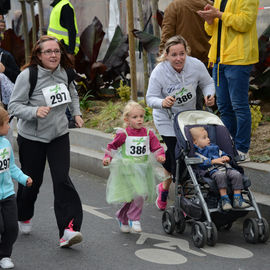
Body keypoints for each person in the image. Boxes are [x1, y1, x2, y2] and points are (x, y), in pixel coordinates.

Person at [8, 35, 84, 248]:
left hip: (58, 135)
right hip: (32, 137)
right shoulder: (28, 76)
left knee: (62, 180)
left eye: (57, 51)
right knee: (32, 181)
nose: (53, 55)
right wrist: (34, 111)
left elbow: (73, 94)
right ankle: (23, 213)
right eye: (48, 52)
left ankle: (69, 230)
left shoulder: (65, 73)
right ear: (39, 56)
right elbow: (13, 106)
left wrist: (76, 113)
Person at [146, 35, 215, 210]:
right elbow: (149, 98)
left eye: (182, 54)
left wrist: (209, 95)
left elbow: (208, 83)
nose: (179, 58)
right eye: (174, 55)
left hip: (188, 117)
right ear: (166, 55)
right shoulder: (159, 71)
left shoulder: (195, 65)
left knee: (184, 154)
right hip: (166, 118)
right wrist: (162, 102)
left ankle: (165, 187)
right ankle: (184, 196)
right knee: (178, 154)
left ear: (187, 52)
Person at [197, 0, 259, 161]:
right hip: (219, 59)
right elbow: (212, 31)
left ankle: (242, 149)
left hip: (238, 59)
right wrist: (210, 20)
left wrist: (219, 14)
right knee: (224, 106)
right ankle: (227, 146)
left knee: (239, 105)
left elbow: (245, 23)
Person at [103, 101, 165, 233]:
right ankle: (133, 218)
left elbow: (157, 147)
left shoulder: (148, 133)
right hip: (128, 169)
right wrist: (107, 158)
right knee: (136, 195)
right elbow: (112, 146)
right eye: (135, 117)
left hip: (143, 168)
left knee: (137, 195)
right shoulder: (123, 134)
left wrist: (160, 155)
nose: (139, 119)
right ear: (127, 119)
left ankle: (123, 216)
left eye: (141, 116)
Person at [0, 107, 32, 269]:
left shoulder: (5, 144)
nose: (9, 126)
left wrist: (23, 178)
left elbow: (11, 167)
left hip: (8, 194)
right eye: (7, 123)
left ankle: (5, 256)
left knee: (12, 228)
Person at [190, 126, 249, 210]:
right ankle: (225, 199)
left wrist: (226, 157)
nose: (208, 139)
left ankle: (237, 199)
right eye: (204, 138)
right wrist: (212, 161)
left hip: (226, 168)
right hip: (213, 170)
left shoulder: (214, 147)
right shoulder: (197, 153)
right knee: (220, 176)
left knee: (237, 174)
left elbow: (223, 153)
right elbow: (200, 163)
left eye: (208, 136)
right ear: (195, 143)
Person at [159, 0, 211, 66]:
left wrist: (162, 61)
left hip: (184, 63)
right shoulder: (209, 5)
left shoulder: (174, 7)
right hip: (208, 61)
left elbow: (167, 38)